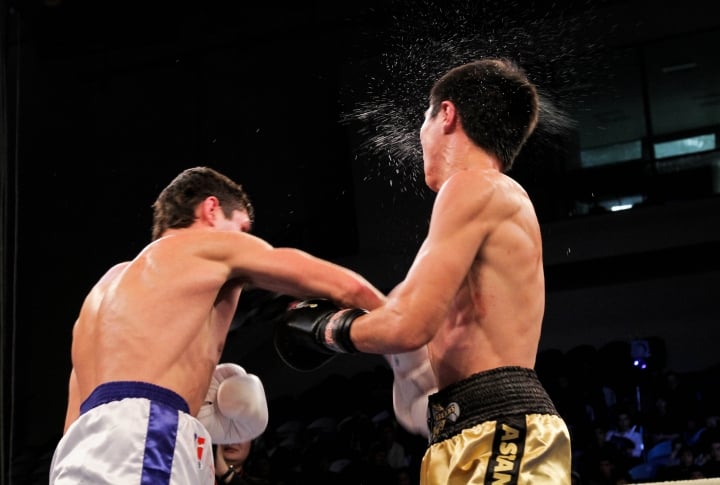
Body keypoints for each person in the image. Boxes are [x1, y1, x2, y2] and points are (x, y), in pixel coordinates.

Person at [275, 58, 572, 483]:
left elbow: (407, 328)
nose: (420, 135)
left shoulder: (474, 186)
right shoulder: (483, 205)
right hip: (461, 432)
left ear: (446, 114)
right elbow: (409, 335)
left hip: (501, 429)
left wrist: (326, 330)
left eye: (424, 119)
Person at [49, 166, 386, 484]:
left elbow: (73, 422)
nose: (244, 241)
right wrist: (400, 328)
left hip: (73, 455)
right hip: (146, 435)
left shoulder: (102, 292)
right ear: (211, 209)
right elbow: (346, 287)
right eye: (241, 229)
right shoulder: (206, 248)